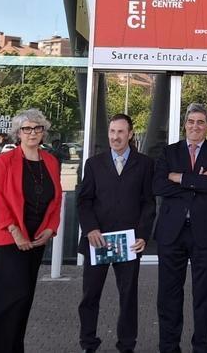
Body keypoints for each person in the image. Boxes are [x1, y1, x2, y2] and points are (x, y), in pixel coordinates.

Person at [0, 109, 63, 353]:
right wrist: (16, 232)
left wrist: (50, 229)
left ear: (43, 132)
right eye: (27, 129)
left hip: (36, 239)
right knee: (8, 297)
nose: (32, 133)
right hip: (11, 238)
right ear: (18, 133)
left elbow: (56, 200)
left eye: (37, 128)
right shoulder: (5, 161)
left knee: (25, 297)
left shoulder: (51, 162)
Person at [76, 113, 156, 353]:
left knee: (128, 297)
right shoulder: (94, 164)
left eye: (121, 132)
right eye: (112, 131)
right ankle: (88, 343)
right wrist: (90, 228)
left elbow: (148, 203)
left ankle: (127, 345)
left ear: (130, 134)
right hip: (98, 240)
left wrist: (142, 234)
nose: (115, 137)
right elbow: (84, 201)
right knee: (90, 296)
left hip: (128, 242)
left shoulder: (145, 164)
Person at [155, 102, 207, 353]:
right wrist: (199, 180)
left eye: (200, 122)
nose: (195, 126)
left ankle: (202, 347)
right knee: (169, 294)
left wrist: (180, 177)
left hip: (205, 233)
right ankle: (169, 347)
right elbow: (159, 186)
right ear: (184, 124)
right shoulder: (169, 152)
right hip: (172, 232)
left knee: (204, 295)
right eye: (191, 121)